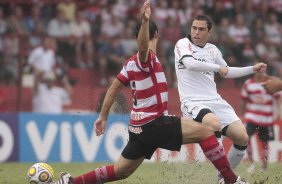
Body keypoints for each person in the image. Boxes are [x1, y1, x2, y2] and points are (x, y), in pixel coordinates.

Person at [52, 2, 247, 184]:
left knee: (121, 171)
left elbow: (113, 88)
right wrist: (145, 21)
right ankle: (231, 180)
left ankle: (71, 182)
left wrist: (103, 117)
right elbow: (143, 49)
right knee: (207, 131)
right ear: (157, 35)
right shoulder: (147, 59)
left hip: (138, 127)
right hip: (154, 123)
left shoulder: (129, 64)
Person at [174, 15, 267, 183]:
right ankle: (230, 178)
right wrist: (218, 68)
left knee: (242, 138)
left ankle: (222, 179)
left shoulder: (212, 50)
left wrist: (252, 69)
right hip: (193, 101)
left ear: (209, 31)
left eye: (201, 29)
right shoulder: (182, 44)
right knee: (214, 123)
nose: (196, 32)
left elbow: (227, 71)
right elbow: (190, 64)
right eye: (194, 28)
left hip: (215, 100)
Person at [241, 70, 279, 173]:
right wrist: (242, 114)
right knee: (245, 137)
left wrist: (278, 111)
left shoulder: (271, 83)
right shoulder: (248, 83)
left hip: (266, 118)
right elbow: (243, 100)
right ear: (254, 71)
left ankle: (264, 167)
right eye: (257, 70)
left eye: (262, 70)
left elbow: (278, 97)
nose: (259, 73)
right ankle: (251, 163)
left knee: (264, 143)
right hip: (252, 116)